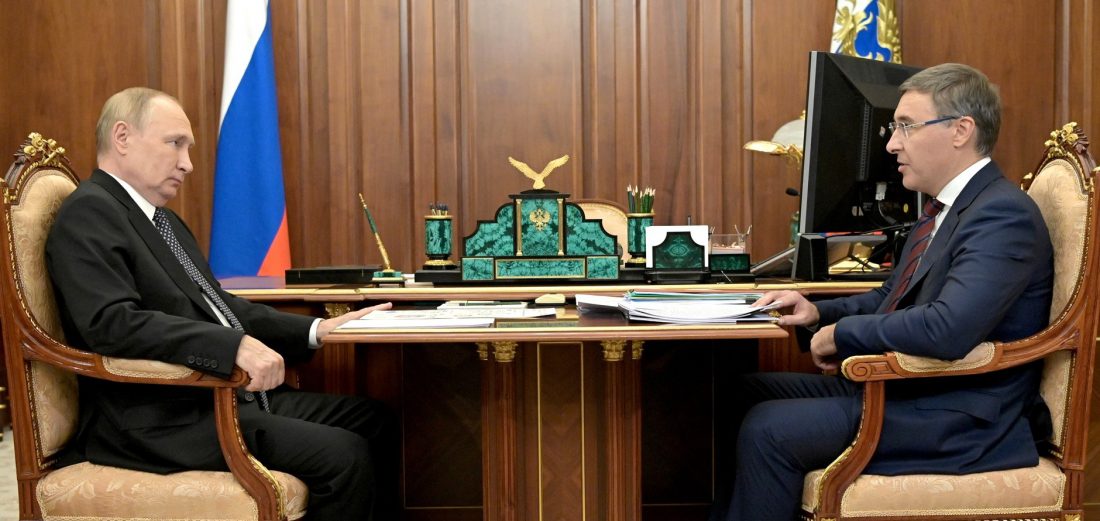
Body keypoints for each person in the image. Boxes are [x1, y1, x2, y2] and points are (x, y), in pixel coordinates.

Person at [720, 63, 1054, 520]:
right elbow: (889, 299)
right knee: (740, 394)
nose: (892, 144)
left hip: (961, 415)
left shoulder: (1001, 216)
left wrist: (841, 336)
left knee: (769, 427)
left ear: (961, 130)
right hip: (911, 390)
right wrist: (817, 314)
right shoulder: (946, 209)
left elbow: (947, 329)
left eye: (906, 127)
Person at [46, 87, 396, 521]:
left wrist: (315, 330)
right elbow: (112, 322)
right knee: (343, 454)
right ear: (122, 137)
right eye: (175, 143)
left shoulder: (162, 220)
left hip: (221, 398)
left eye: (188, 148)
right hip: (159, 418)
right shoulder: (90, 212)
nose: (187, 163)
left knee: (375, 420)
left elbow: (217, 304)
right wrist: (232, 348)